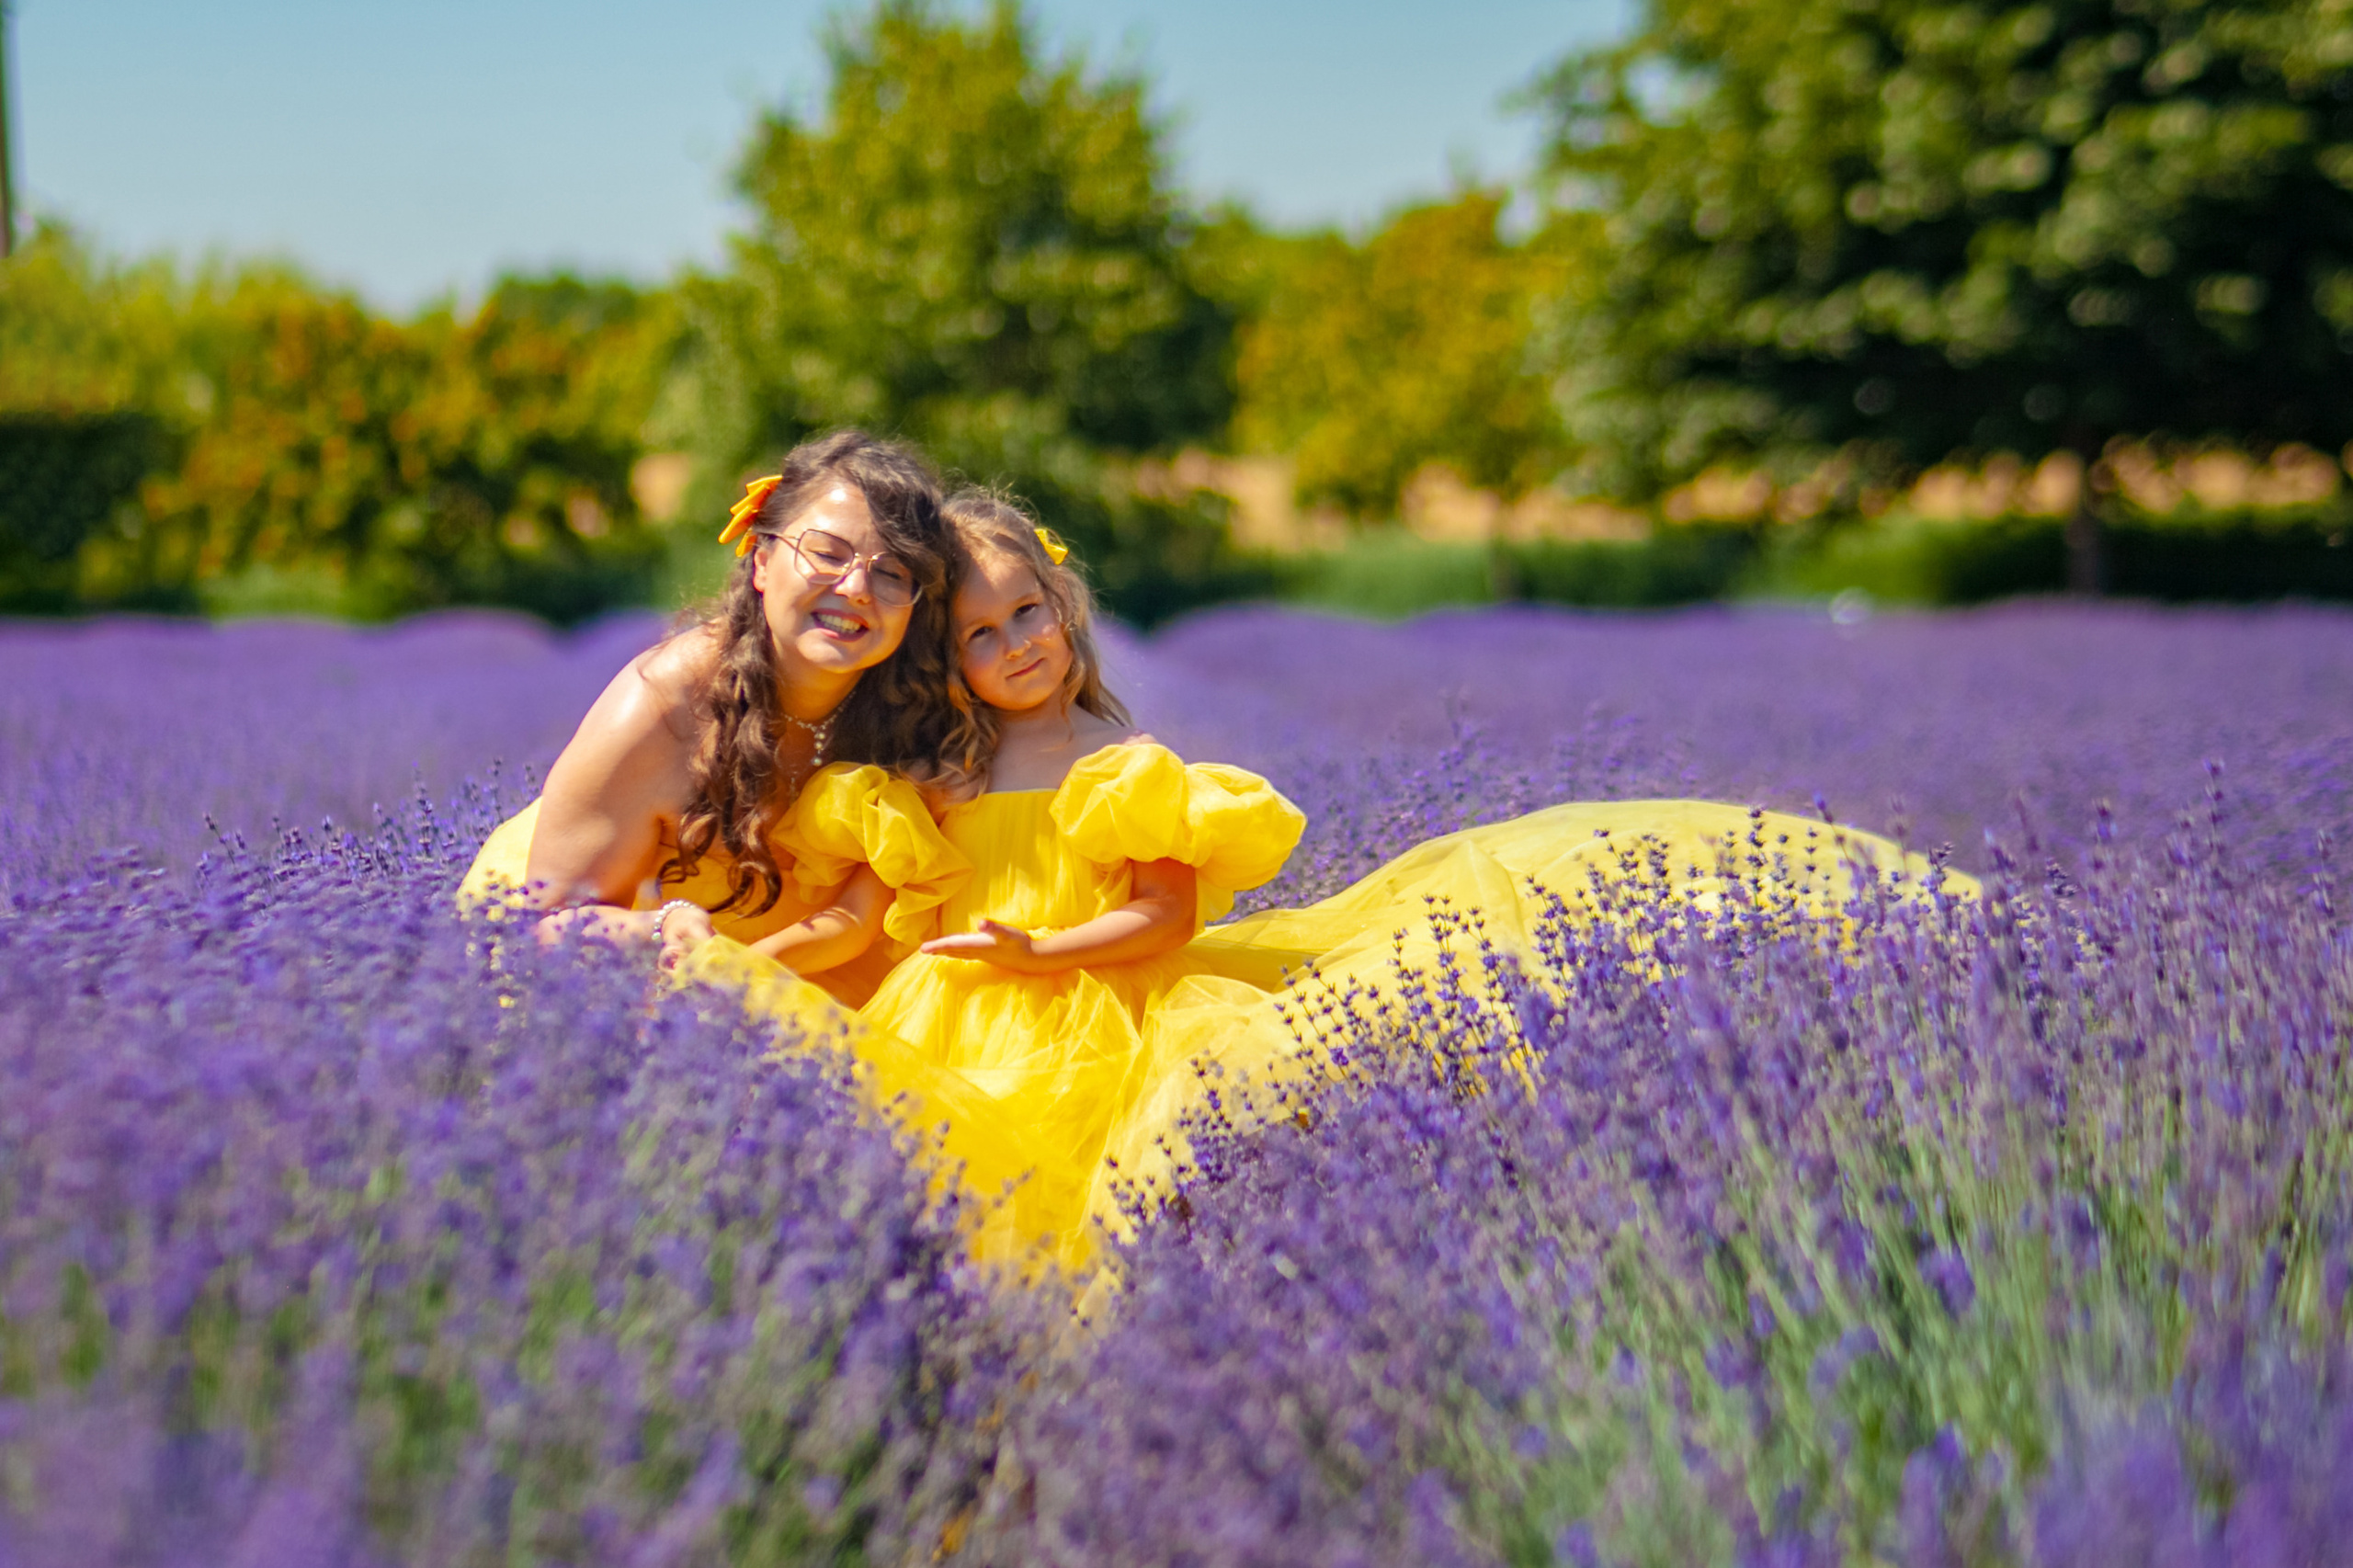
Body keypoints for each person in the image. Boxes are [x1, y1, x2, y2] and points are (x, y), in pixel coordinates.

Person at [841, 492, 1307, 1268]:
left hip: (1101, 1014)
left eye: (1027, 612)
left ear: (1063, 603)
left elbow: (1167, 915)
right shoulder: (940, 777)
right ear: (947, 663)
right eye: (980, 636)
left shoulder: (1123, 764)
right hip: (951, 1023)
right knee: (964, 1220)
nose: (1017, 644)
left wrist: (1042, 951)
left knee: (1091, 1219)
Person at [459, 429, 966, 1005]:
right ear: (763, 561)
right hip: (643, 982)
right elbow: (542, 930)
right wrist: (659, 929)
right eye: (827, 553)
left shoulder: (916, 707)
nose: (855, 588)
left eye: (893, 573)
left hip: (821, 980)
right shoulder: (661, 711)